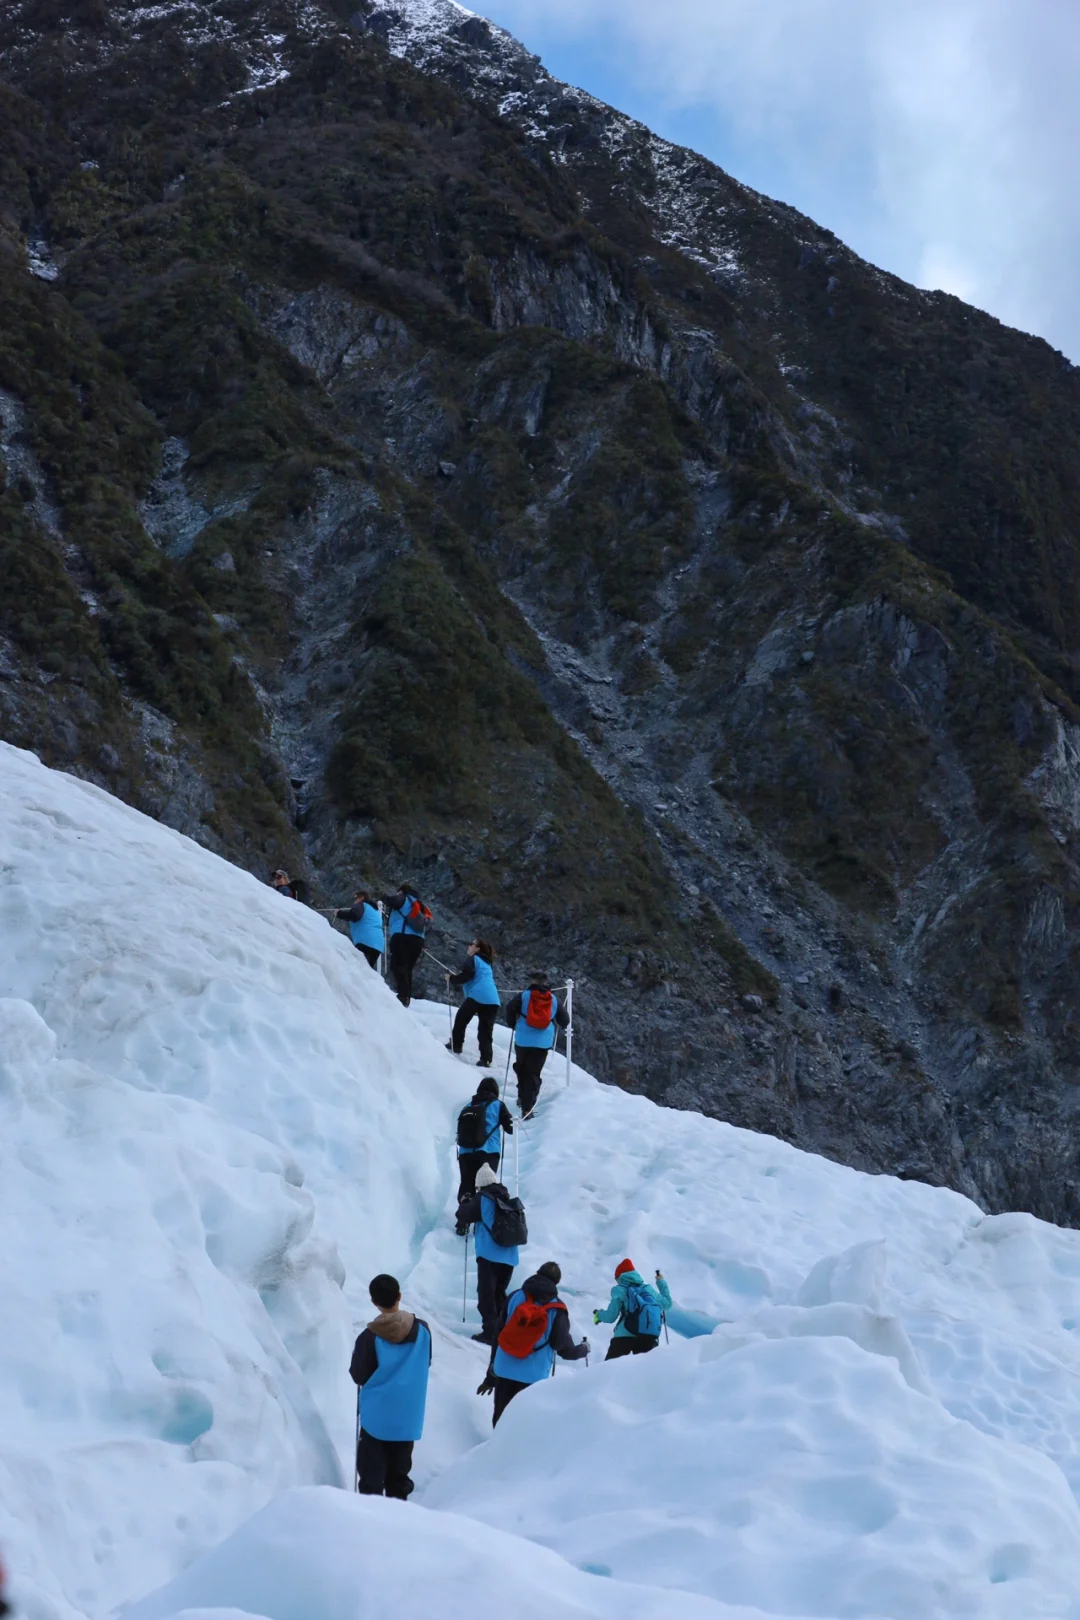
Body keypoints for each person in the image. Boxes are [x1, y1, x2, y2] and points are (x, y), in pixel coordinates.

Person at [349, 1273, 431, 1500]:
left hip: (376, 1418)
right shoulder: (422, 1329)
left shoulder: (368, 1338)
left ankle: (369, 1524)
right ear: (399, 1296)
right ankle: (398, 1522)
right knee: (399, 1478)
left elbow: (359, 1375)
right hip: (408, 1418)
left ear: (374, 1302)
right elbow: (427, 1361)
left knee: (371, 1480)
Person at [478, 1260, 589, 1426]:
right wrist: (583, 1349)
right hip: (533, 1377)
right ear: (556, 1282)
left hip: (504, 1369)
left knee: (502, 1421)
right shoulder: (557, 1308)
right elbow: (562, 1347)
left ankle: (497, 1449)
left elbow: (499, 1336)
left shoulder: (515, 1297)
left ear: (538, 1272)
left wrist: (490, 1377)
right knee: (524, 1424)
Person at [456, 1162, 524, 1345]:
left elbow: (463, 1215)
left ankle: (490, 1333)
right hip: (509, 1256)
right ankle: (502, 1329)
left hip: (489, 1255)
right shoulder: (507, 1198)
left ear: (480, 1185)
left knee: (486, 1296)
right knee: (499, 1294)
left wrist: (464, 1203)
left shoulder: (483, 1198)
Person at [505, 974, 569, 1118]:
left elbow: (510, 1008)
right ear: (546, 983)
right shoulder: (553, 999)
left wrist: (513, 1024)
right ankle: (528, 1107)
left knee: (522, 1068)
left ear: (531, 982)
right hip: (542, 1042)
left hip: (522, 1039)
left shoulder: (523, 996)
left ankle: (523, 1099)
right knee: (533, 1073)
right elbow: (565, 1020)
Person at [455, 1075, 514, 1212]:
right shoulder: (498, 1104)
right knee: (486, 1186)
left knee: (467, 1183)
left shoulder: (467, 1106)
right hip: (488, 1151)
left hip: (465, 1152)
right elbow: (510, 1128)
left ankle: (463, 1218)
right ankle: (485, 1216)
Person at [593, 1258, 672, 1358]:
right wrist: (661, 1282)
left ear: (620, 1276)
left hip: (624, 1336)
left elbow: (610, 1317)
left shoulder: (619, 1290)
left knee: (609, 1371)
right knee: (646, 1372)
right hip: (648, 1336)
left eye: (616, 1279)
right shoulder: (647, 1289)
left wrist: (598, 1315)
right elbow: (667, 1303)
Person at [446, 939, 501, 1065]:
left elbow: (467, 975)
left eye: (472, 944)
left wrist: (452, 978)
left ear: (477, 949)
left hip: (477, 994)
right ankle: (486, 1059)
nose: (469, 945)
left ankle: (456, 1045)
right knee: (485, 1030)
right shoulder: (487, 963)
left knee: (461, 1019)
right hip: (492, 999)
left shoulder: (473, 959)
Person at [382, 884, 431, 1007]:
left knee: (397, 965)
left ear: (402, 891)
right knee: (408, 968)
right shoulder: (421, 905)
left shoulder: (404, 898)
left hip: (402, 935)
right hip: (418, 939)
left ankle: (403, 996)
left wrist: (382, 896)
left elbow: (391, 901)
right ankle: (406, 996)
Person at [336, 889, 384, 970]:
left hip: (365, 942)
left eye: (356, 898)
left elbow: (355, 915)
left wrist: (339, 913)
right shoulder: (375, 910)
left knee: (359, 970)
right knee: (367, 972)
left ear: (361, 898)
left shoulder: (361, 905)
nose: (354, 901)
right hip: (378, 945)